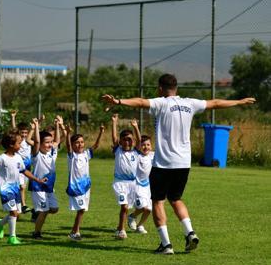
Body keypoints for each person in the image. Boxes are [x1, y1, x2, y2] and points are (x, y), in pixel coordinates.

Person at [102, 73, 255, 254]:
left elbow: (141, 102)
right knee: (176, 199)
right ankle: (190, 232)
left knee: (158, 202)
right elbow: (215, 103)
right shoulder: (190, 103)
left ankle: (166, 245)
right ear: (177, 88)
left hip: (163, 163)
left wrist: (118, 101)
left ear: (160, 88)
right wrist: (239, 101)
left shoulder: (161, 103)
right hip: (184, 163)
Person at [0, 130, 46, 245]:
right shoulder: (2, 158)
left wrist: (37, 179)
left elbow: (24, 171)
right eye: (19, 143)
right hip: (6, 189)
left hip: (15, 189)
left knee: (17, 213)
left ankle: (0, 224)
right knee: (14, 212)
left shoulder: (19, 158)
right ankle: (12, 237)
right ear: (11, 145)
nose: (20, 145)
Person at [66, 124, 105, 241]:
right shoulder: (71, 156)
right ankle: (75, 232)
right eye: (77, 142)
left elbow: (96, 145)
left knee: (82, 210)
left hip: (86, 187)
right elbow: (67, 145)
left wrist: (101, 132)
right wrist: (67, 133)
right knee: (81, 209)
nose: (80, 144)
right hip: (75, 187)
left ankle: (74, 231)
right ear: (73, 145)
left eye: (82, 142)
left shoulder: (86, 154)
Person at [29, 117, 60, 239]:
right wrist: (36, 126)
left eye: (50, 142)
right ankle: (36, 233)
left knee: (54, 208)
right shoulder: (37, 155)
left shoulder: (51, 152)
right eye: (47, 142)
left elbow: (57, 141)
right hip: (38, 187)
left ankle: (37, 213)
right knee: (45, 210)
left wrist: (58, 125)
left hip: (49, 187)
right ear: (40, 143)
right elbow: (36, 142)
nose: (50, 144)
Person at [111, 114, 139, 239]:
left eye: (130, 139)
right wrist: (114, 122)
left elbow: (139, 140)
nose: (128, 141)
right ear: (121, 141)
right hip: (120, 183)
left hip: (132, 184)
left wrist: (136, 127)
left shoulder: (136, 151)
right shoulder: (118, 150)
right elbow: (114, 137)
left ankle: (119, 228)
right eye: (125, 139)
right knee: (124, 206)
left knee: (128, 208)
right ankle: (122, 230)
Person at [127, 119, 154, 234]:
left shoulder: (153, 155)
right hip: (136, 186)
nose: (146, 147)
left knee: (149, 209)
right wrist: (135, 127)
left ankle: (140, 226)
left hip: (147, 186)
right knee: (143, 207)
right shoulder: (137, 155)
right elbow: (137, 141)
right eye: (143, 145)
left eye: (148, 145)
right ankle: (132, 216)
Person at [11, 110, 34, 214]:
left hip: (27, 166)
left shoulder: (29, 140)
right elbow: (14, 128)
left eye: (26, 132)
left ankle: (18, 204)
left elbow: (35, 132)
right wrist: (13, 117)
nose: (24, 134)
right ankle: (23, 205)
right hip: (19, 166)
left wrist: (39, 123)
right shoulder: (18, 139)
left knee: (22, 186)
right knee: (22, 187)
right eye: (22, 132)